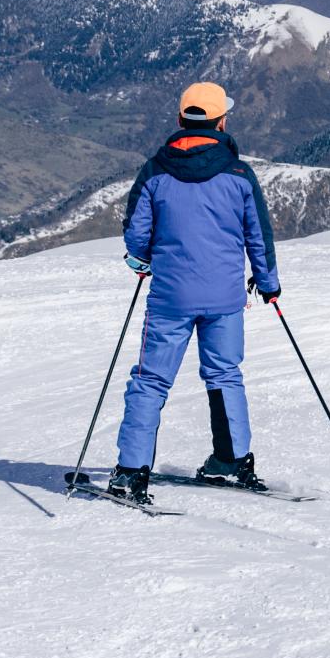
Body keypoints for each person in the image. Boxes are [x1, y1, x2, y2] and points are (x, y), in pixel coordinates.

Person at [107, 81, 281, 503]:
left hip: (170, 298)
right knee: (224, 375)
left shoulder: (155, 171)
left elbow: (136, 237)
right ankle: (232, 460)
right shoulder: (239, 174)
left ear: (181, 119)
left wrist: (142, 261)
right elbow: (258, 235)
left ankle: (131, 472)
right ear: (222, 120)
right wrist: (269, 284)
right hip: (224, 299)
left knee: (150, 381)